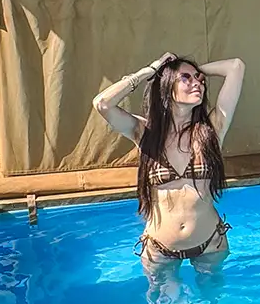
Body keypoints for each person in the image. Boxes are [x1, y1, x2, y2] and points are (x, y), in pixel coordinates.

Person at [93, 53, 246, 273]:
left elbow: (235, 67)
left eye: (200, 80)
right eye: (186, 78)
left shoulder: (211, 129)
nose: (198, 84)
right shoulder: (145, 132)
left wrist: (195, 70)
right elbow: (102, 104)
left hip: (211, 244)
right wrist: (151, 70)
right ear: (167, 85)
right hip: (159, 249)